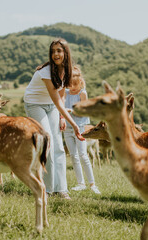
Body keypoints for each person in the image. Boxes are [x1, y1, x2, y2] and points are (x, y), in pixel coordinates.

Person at [24, 38, 85, 200]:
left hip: (52, 106)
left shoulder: (68, 70)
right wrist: (75, 125)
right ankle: (48, 189)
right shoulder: (45, 72)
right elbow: (58, 101)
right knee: (48, 142)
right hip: (35, 104)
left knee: (58, 145)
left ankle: (61, 189)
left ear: (66, 52)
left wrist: (61, 118)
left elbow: (62, 96)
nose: (55, 54)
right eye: (53, 51)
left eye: (59, 51)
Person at [63, 66, 101, 194]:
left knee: (83, 155)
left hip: (79, 127)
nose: (72, 87)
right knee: (73, 156)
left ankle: (92, 184)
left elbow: (84, 111)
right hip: (67, 128)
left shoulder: (82, 93)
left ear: (80, 82)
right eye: (70, 84)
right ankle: (81, 184)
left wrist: (70, 111)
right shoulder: (66, 93)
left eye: (75, 84)